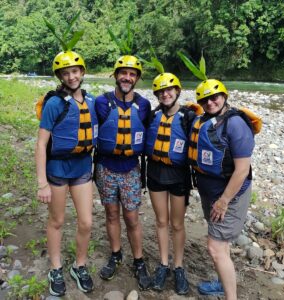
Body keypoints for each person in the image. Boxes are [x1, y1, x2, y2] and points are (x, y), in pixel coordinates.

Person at [35, 50, 97, 296]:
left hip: (82, 168)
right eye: (65, 73)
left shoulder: (91, 101)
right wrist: (42, 183)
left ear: (82, 72)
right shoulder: (53, 104)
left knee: (86, 222)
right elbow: (41, 144)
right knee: (57, 221)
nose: (71, 76)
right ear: (60, 76)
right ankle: (55, 267)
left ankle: (79, 265)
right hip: (58, 169)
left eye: (75, 71)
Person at [188, 79, 255, 300]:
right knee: (221, 246)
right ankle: (220, 283)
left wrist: (224, 200)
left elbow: (242, 169)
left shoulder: (235, 123)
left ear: (224, 97)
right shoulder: (205, 120)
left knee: (215, 248)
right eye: (204, 99)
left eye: (214, 97)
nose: (210, 102)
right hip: (211, 191)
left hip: (230, 195)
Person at [94, 55, 152, 290]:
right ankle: (116, 254)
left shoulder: (144, 105)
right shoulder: (101, 103)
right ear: (116, 75)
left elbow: (154, 126)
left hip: (130, 169)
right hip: (106, 168)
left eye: (132, 74)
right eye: (123, 73)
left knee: (132, 217)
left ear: (137, 78)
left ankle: (138, 261)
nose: (127, 77)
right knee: (110, 214)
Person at [145, 73, 197, 295]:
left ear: (177, 91)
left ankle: (178, 266)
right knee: (161, 221)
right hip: (155, 172)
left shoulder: (189, 116)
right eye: (161, 91)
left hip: (179, 175)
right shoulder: (153, 115)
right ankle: (163, 264)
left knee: (177, 224)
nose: (165, 94)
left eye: (169, 90)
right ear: (157, 95)